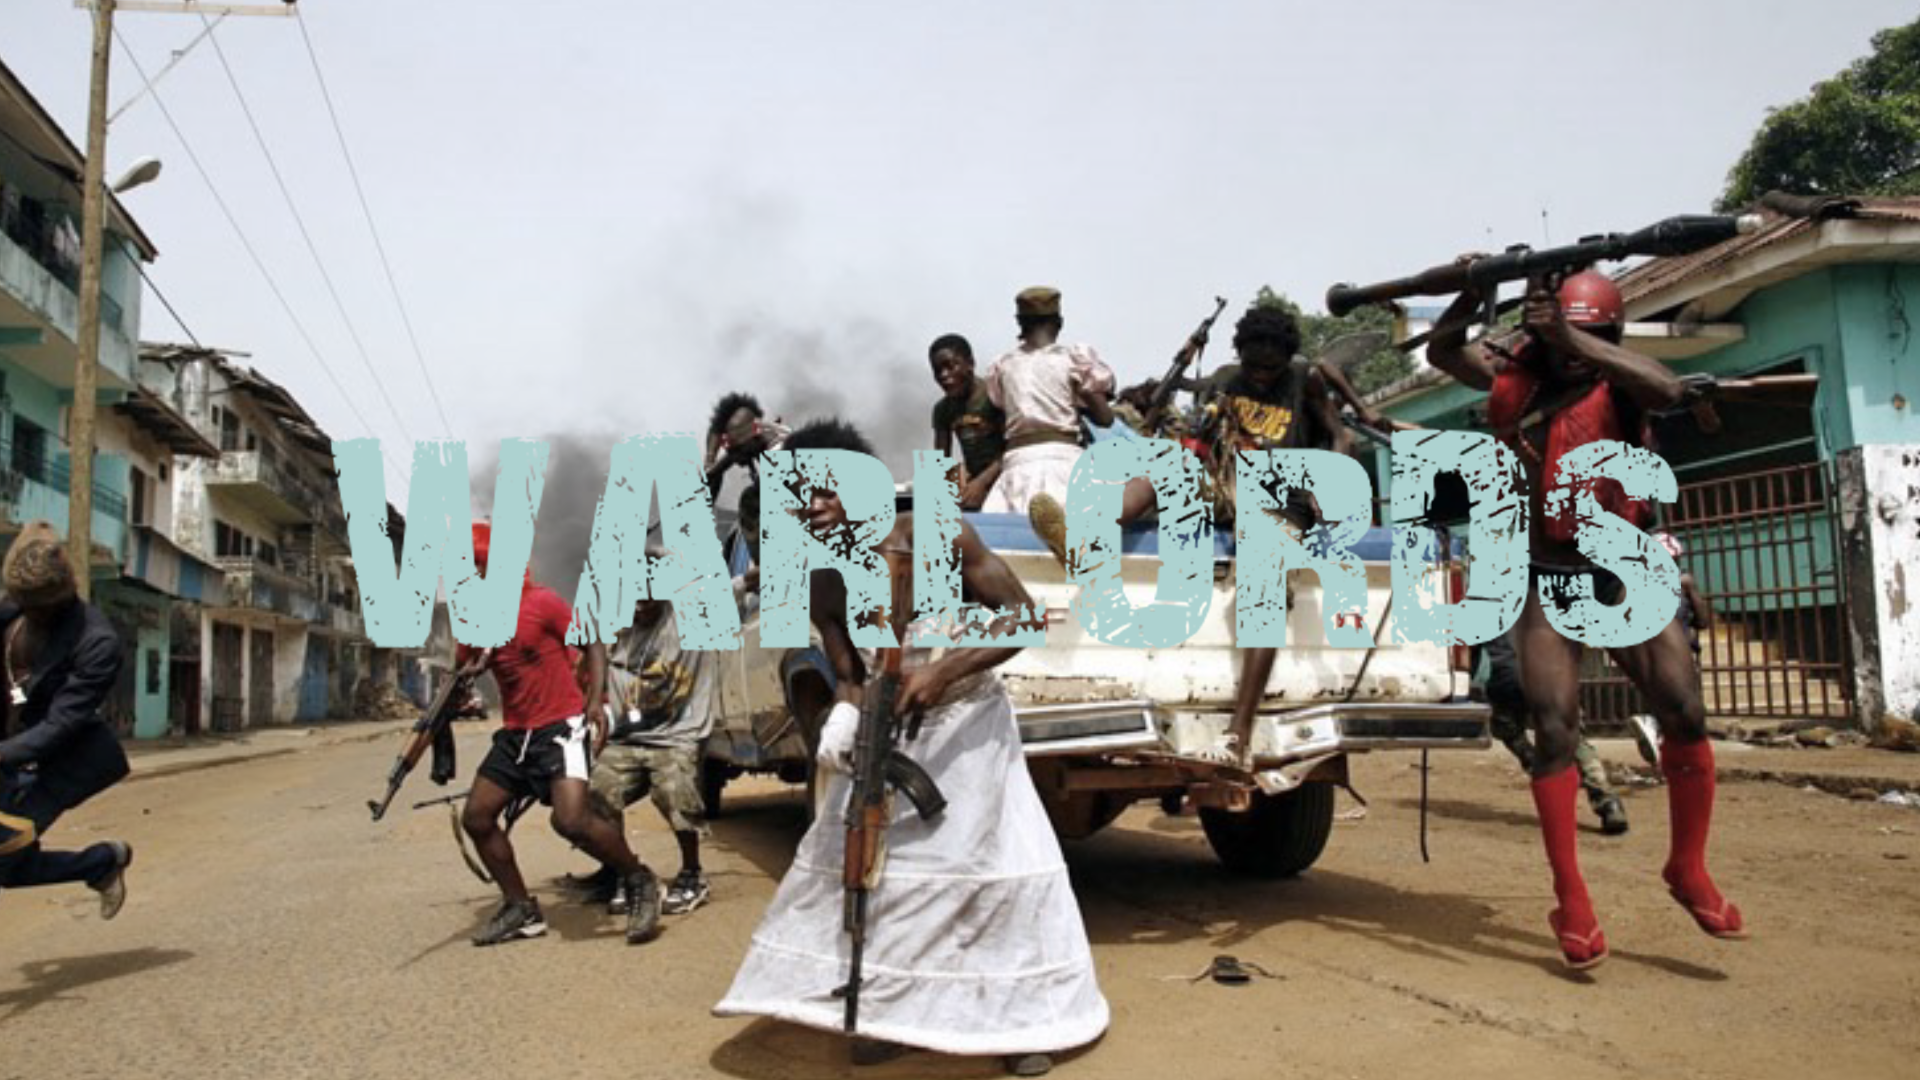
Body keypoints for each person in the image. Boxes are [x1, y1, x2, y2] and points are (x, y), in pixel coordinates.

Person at [716, 419, 1108, 1077]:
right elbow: (849, 673)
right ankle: (898, 1014)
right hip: (892, 735)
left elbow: (1021, 617)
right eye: (800, 498)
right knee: (883, 879)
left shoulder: (930, 533)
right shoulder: (817, 578)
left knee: (982, 874)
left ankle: (1018, 1025)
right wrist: (841, 721)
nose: (814, 507)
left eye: (827, 491)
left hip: (969, 730)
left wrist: (944, 671)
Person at [1428, 268, 1745, 969]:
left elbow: (1667, 390)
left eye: (1596, 335)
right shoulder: (1514, 378)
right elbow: (1442, 350)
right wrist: (1472, 289)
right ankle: (1570, 899)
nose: (1575, 352)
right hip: (1546, 575)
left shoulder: (1621, 380)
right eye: (1566, 338)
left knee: (1684, 709)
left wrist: (1574, 339)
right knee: (1554, 730)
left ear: (1611, 334)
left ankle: (1687, 868)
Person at [458, 521, 664, 947]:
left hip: (561, 726)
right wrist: (471, 670)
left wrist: (596, 701)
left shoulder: (542, 603)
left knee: (570, 821)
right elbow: (465, 667)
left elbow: (593, 643)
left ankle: (639, 879)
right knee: (477, 817)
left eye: (481, 566)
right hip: (516, 735)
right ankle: (520, 908)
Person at [1186, 304, 1349, 769]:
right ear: (1241, 352)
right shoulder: (1226, 381)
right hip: (1228, 488)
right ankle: (1085, 539)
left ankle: (1238, 735)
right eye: (1252, 365)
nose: (1259, 375)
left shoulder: (1303, 381)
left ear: (1285, 357)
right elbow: (1200, 443)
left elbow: (1343, 438)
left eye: (1269, 368)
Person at [0, 522, 134, 918]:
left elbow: (58, 727)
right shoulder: (11, 609)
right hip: (7, 756)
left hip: (55, 764)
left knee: (6, 862)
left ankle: (102, 861)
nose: (27, 609)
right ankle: (102, 863)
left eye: (36, 606)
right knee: (7, 864)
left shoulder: (96, 644)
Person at [586, 569, 737, 917]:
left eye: (646, 598)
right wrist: (594, 700)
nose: (638, 606)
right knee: (596, 792)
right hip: (628, 736)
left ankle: (692, 873)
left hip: (677, 736)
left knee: (675, 793)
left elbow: (748, 581)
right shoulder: (616, 624)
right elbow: (589, 647)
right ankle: (627, 874)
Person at [981, 286, 1155, 564]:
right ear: (1059, 323)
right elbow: (1104, 419)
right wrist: (1084, 393)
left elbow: (1003, 408)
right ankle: (1083, 539)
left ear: (1019, 323)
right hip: (1063, 463)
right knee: (1148, 481)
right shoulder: (1072, 360)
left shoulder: (1002, 366)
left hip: (1016, 466)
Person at [1477, 631, 1630, 835]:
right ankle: (1607, 801)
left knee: (1507, 729)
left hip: (1507, 679)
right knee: (1573, 738)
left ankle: (1542, 771)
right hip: (1550, 675)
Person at [707, 392, 791, 567]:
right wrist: (711, 463)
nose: (734, 458)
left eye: (736, 450)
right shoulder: (762, 436)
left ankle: (763, 568)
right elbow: (721, 465)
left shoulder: (779, 451)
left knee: (750, 502)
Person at [929, 334, 1007, 511]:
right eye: (937, 370)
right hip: (974, 485)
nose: (944, 375)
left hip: (1006, 478)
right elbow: (940, 462)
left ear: (970, 363)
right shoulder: (943, 410)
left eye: (951, 366)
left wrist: (982, 482)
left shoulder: (994, 395)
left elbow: (1014, 449)